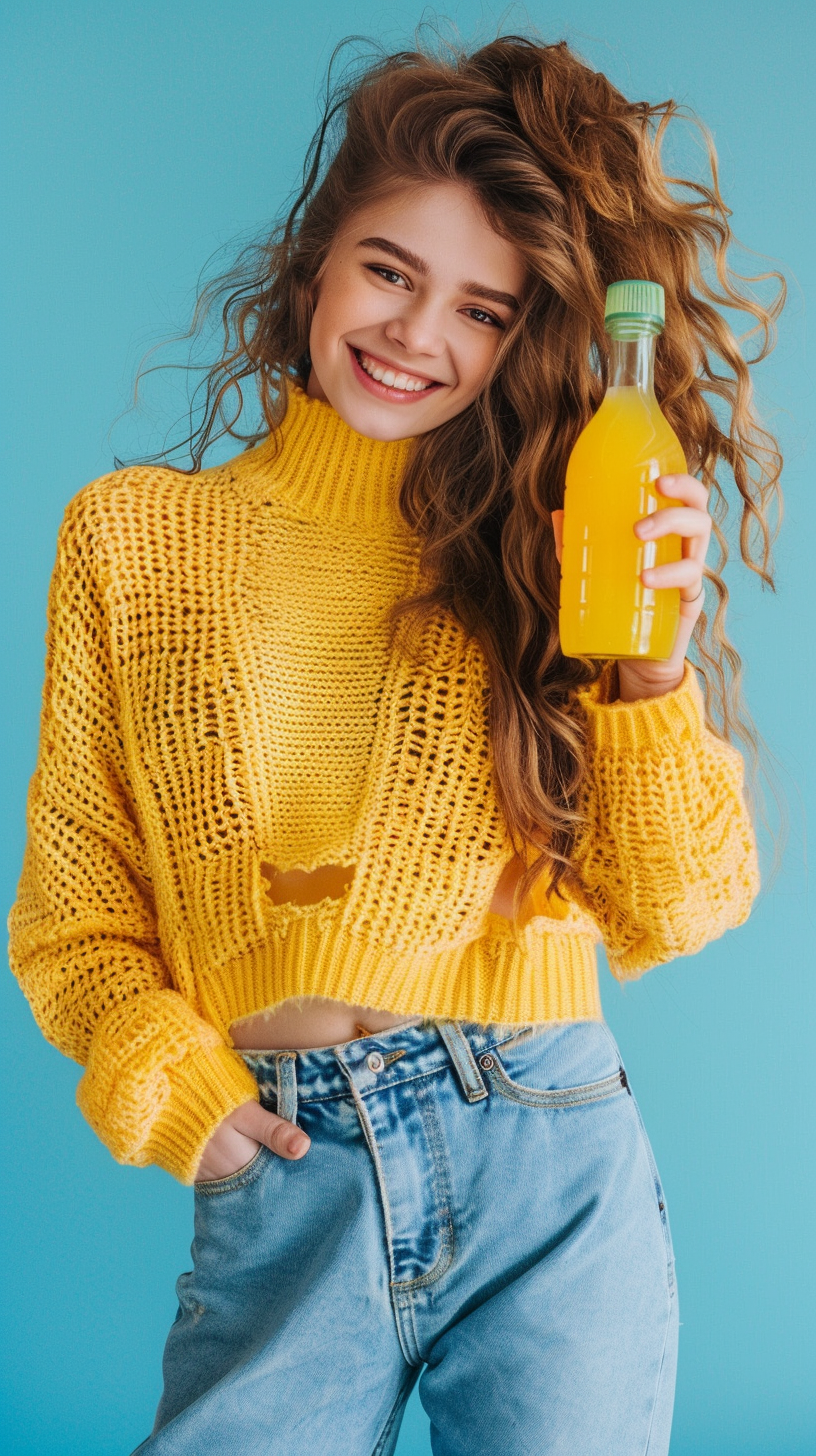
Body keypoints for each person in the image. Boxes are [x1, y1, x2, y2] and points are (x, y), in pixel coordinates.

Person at [7, 28, 783, 1456]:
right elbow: (75, 920)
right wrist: (177, 1095)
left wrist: (650, 672)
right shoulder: (131, 542)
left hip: (548, 1141)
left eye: (484, 311)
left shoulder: (556, 545)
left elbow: (678, 908)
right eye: (389, 272)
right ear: (315, 261)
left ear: (525, 338)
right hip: (286, 1160)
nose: (419, 336)